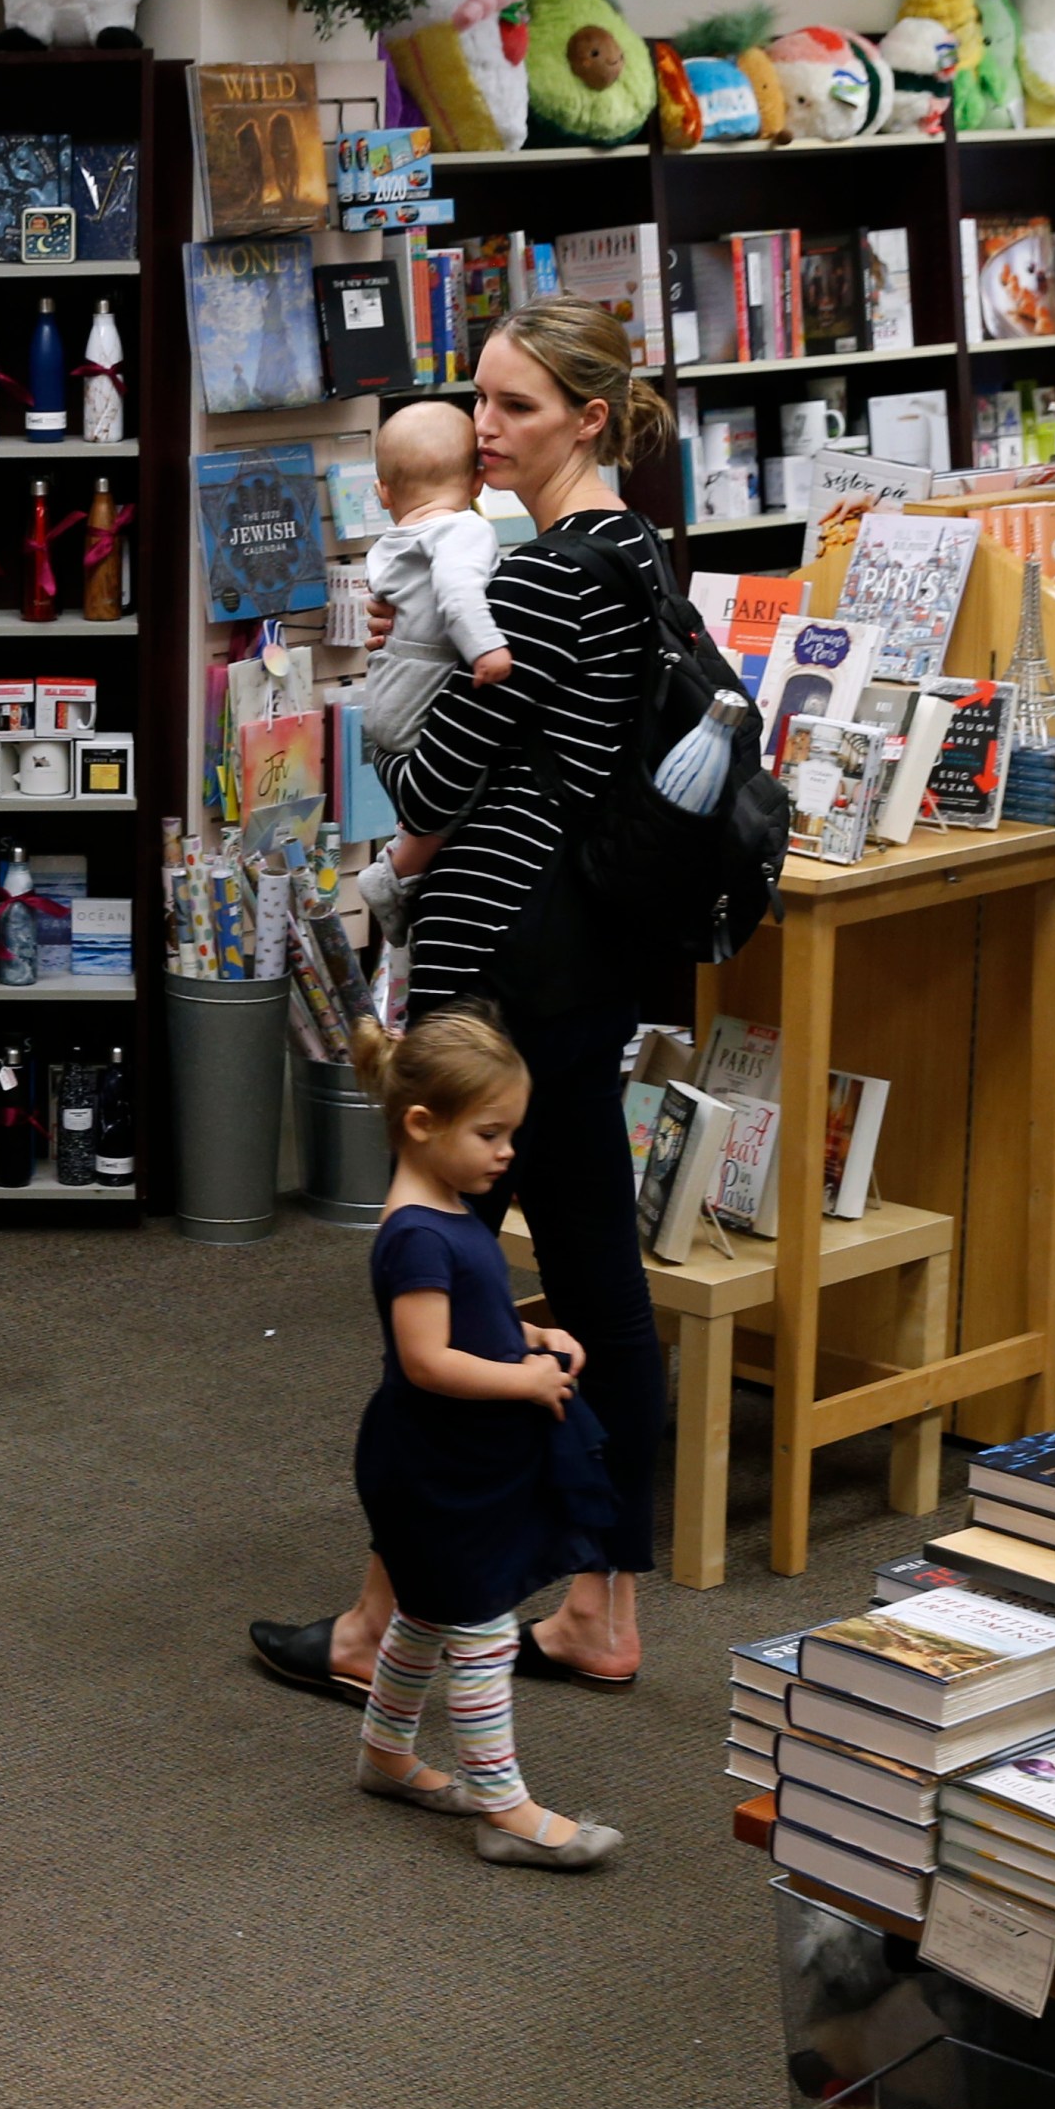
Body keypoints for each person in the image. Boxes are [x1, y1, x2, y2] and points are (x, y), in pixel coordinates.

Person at [251, 294, 675, 1700]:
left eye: (516, 408)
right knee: (595, 1282)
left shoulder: (549, 577)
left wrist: (407, 667)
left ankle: (385, 1626)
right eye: (478, 402)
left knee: (430, 1276)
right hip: (583, 951)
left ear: (590, 418)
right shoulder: (631, 554)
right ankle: (599, 1608)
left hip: (507, 955)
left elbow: (427, 781)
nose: (484, 432)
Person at [345, 1008, 620, 1870]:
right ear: (421, 1126)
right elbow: (426, 1359)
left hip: (454, 1460)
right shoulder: (418, 1234)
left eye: (512, 1132)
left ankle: (387, 1753)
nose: (507, 1152)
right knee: (482, 1631)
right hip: (439, 1466)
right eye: (490, 1132)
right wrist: (525, 1380)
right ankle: (503, 1806)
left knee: (428, 1613)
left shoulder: (447, 1210)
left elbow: (472, 1326)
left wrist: (531, 1341)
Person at [352, 400, 512, 973]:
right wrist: (487, 646)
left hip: (388, 692)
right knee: (472, 780)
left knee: (431, 786)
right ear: (476, 482)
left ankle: (401, 865)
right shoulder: (466, 529)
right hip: (426, 683)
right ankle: (394, 876)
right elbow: (457, 590)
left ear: (383, 493)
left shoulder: (393, 540)